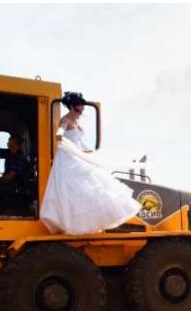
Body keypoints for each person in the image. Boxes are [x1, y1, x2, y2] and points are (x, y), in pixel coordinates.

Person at [40, 91, 141, 235]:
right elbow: (60, 132)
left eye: (82, 110)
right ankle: (74, 223)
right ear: (71, 107)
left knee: (94, 185)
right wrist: (60, 135)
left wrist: (87, 152)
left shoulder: (77, 121)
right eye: (77, 110)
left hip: (79, 154)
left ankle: (97, 222)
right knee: (76, 188)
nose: (80, 113)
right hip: (69, 157)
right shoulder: (65, 120)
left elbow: (78, 140)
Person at [0, 134, 30, 209]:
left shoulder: (20, 158)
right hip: (10, 183)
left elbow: (11, 176)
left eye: (9, 140)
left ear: (14, 143)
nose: (7, 142)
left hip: (16, 186)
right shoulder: (10, 153)